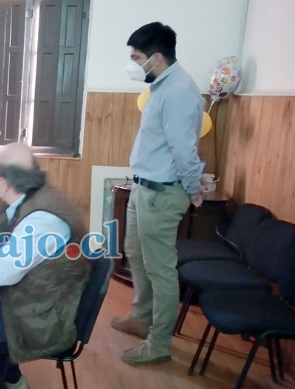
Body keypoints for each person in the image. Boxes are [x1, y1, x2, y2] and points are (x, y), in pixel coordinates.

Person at [0, 143, 90, 389]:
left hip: (48, 318)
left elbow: (3, 272)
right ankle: (13, 380)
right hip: (38, 300)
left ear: (3, 182)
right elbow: (5, 230)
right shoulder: (35, 197)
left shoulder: (44, 219)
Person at [111, 22, 205, 365]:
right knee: (135, 255)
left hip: (161, 194)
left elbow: (184, 150)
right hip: (143, 187)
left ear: (157, 57)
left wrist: (194, 189)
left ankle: (159, 341)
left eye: (137, 58)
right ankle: (142, 316)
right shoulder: (161, 85)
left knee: (160, 270)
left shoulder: (178, 91)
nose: (132, 64)